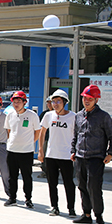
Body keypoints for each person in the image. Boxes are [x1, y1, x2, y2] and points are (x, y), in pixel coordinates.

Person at [71, 84, 112, 224]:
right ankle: (86, 214)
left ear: (96, 100)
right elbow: (76, 135)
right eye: (85, 98)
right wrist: (73, 150)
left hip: (96, 157)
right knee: (82, 186)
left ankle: (98, 216)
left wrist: (110, 153)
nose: (87, 101)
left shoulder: (103, 117)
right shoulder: (78, 116)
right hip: (80, 156)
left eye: (90, 99)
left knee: (94, 187)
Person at [38, 89, 77, 217]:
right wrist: (41, 151)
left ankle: (71, 208)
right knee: (52, 183)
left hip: (66, 156)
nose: (55, 104)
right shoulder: (48, 115)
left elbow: (77, 135)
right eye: (53, 101)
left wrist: (75, 151)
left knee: (68, 183)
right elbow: (42, 133)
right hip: (51, 155)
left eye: (58, 101)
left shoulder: (73, 117)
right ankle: (54, 207)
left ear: (65, 102)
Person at [4, 91, 41, 208]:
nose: (16, 104)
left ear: (24, 102)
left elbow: (37, 131)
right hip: (12, 150)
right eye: (14, 102)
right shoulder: (10, 115)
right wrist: (11, 142)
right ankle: (12, 198)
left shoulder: (32, 115)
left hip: (26, 151)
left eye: (19, 102)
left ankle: (28, 198)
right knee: (12, 176)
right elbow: (8, 131)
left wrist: (30, 142)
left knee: (27, 176)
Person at [37, 97, 53, 178]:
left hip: (55, 139)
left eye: (51, 102)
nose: (49, 104)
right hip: (46, 138)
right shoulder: (45, 114)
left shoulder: (58, 114)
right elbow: (39, 126)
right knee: (44, 154)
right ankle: (44, 171)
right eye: (48, 102)